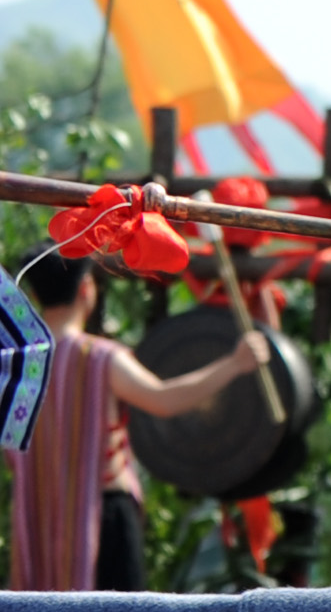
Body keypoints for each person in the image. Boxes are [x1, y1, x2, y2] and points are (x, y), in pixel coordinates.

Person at [2, 249, 272, 593]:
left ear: (36, 296)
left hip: (37, 520)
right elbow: (162, 399)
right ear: (87, 287)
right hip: (101, 521)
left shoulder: (18, 367)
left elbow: (11, 452)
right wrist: (233, 364)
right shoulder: (99, 358)